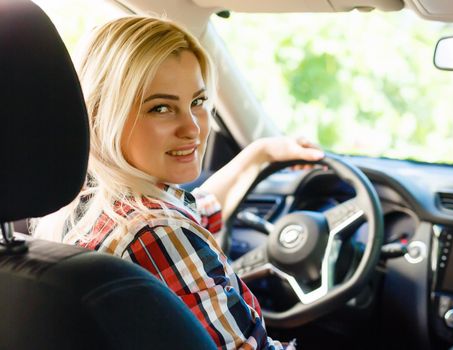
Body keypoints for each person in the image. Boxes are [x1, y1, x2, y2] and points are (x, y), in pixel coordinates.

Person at [33, 15, 324, 349]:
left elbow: (197, 210)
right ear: (103, 113)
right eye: (160, 108)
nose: (194, 128)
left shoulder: (90, 210)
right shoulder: (156, 231)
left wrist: (259, 154)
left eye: (197, 102)